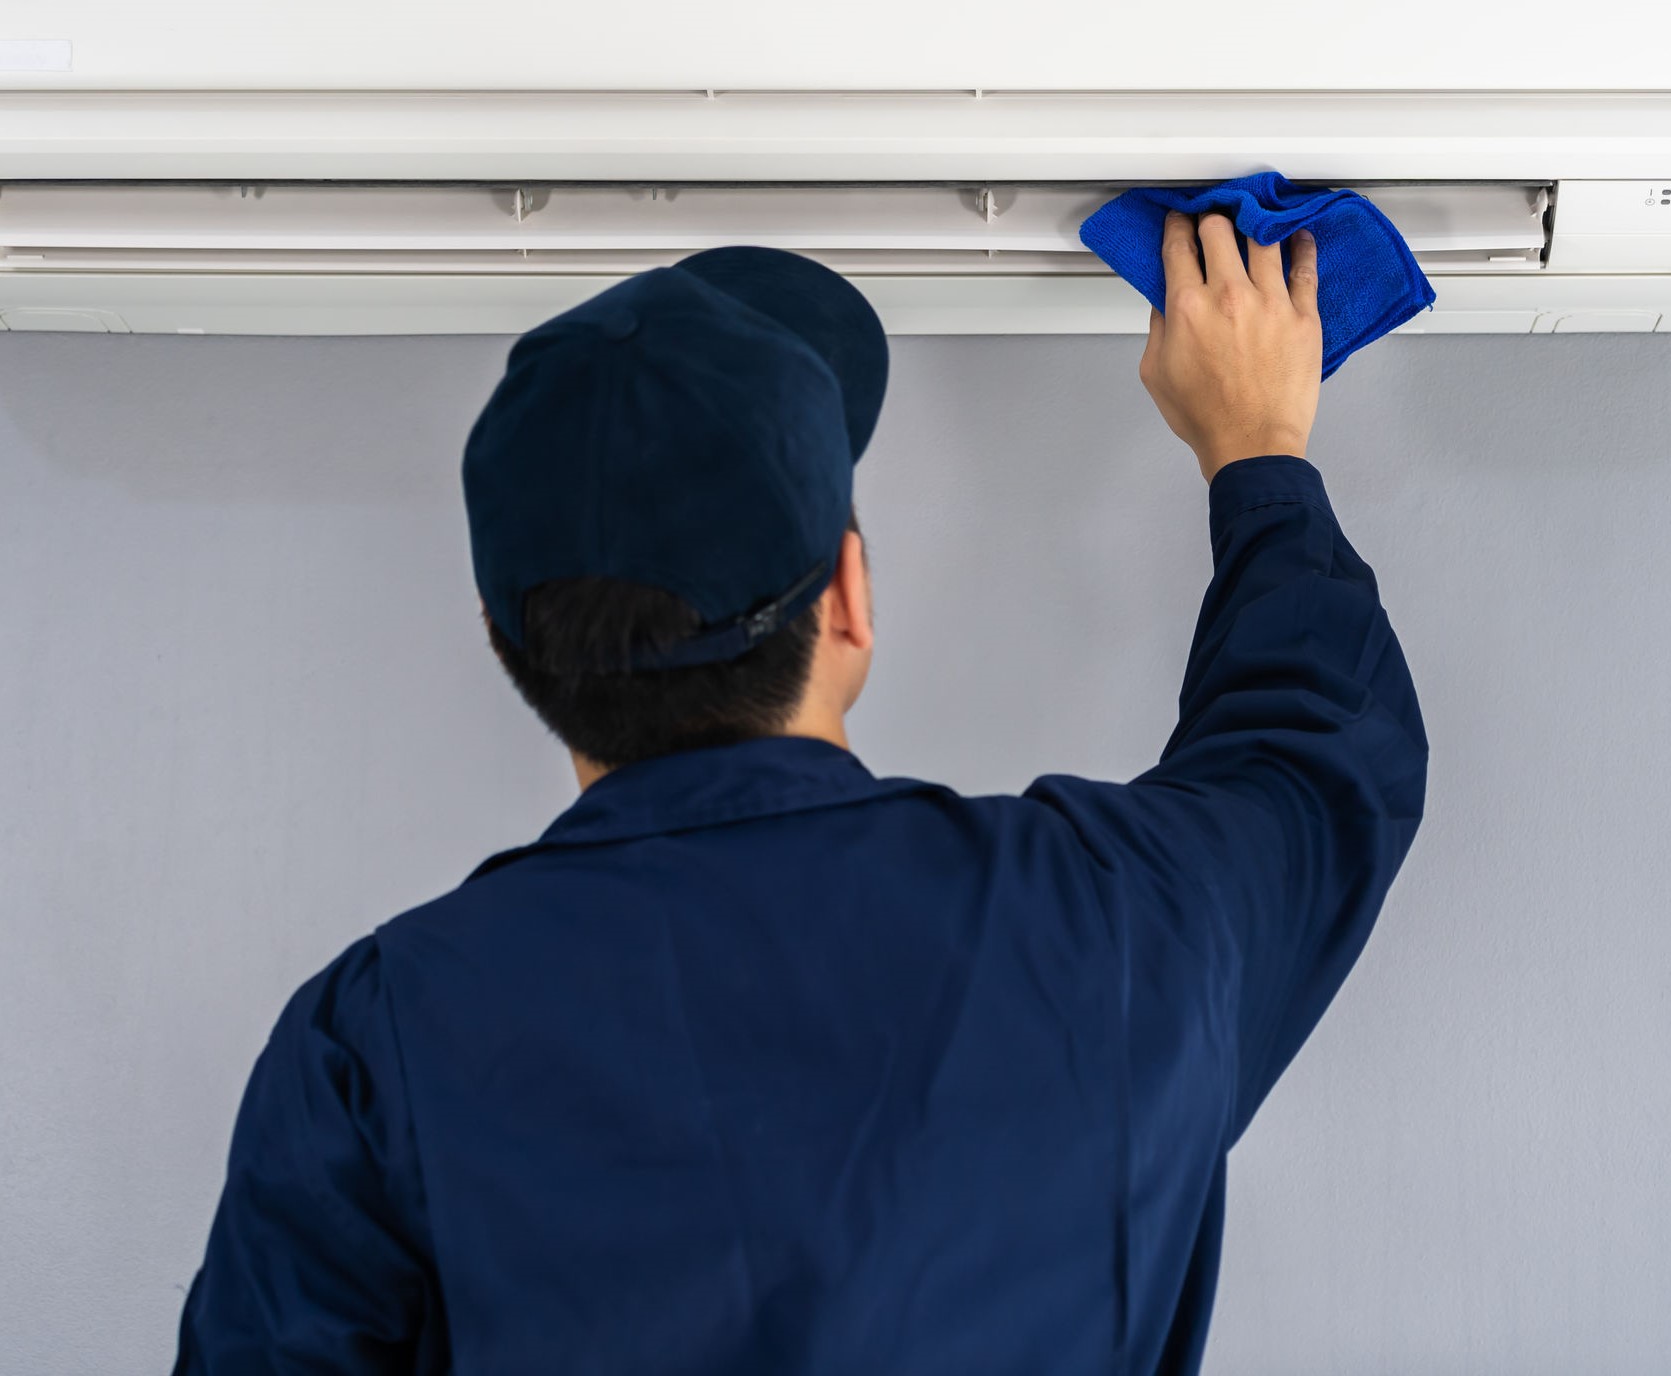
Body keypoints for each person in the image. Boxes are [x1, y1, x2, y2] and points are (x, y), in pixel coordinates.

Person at [173, 211, 1427, 1375]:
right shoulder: (1105, 928)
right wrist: (1257, 448)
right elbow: (1318, 759)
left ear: (509, 646)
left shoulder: (374, 1049)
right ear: (850, 598)